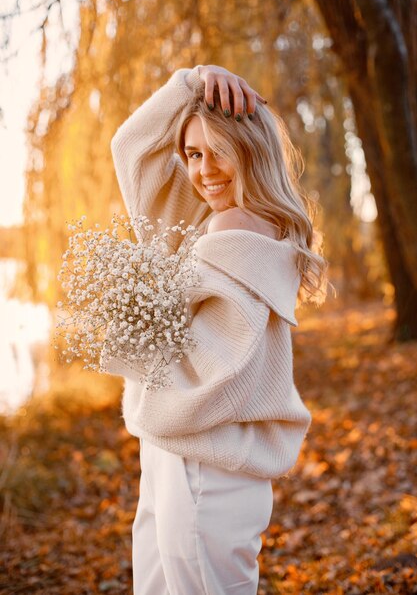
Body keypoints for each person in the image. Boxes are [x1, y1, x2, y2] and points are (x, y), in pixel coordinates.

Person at [105, 64, 329, 595]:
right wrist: (193, 82)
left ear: (251, 150)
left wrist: (190, 81)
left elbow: (197, 362)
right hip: (179, 455)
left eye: (219, 151)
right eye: (192, 154)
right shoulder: (225, 221)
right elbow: (130, 149)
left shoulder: (234, 229)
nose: (204, 171)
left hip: (203, 468)